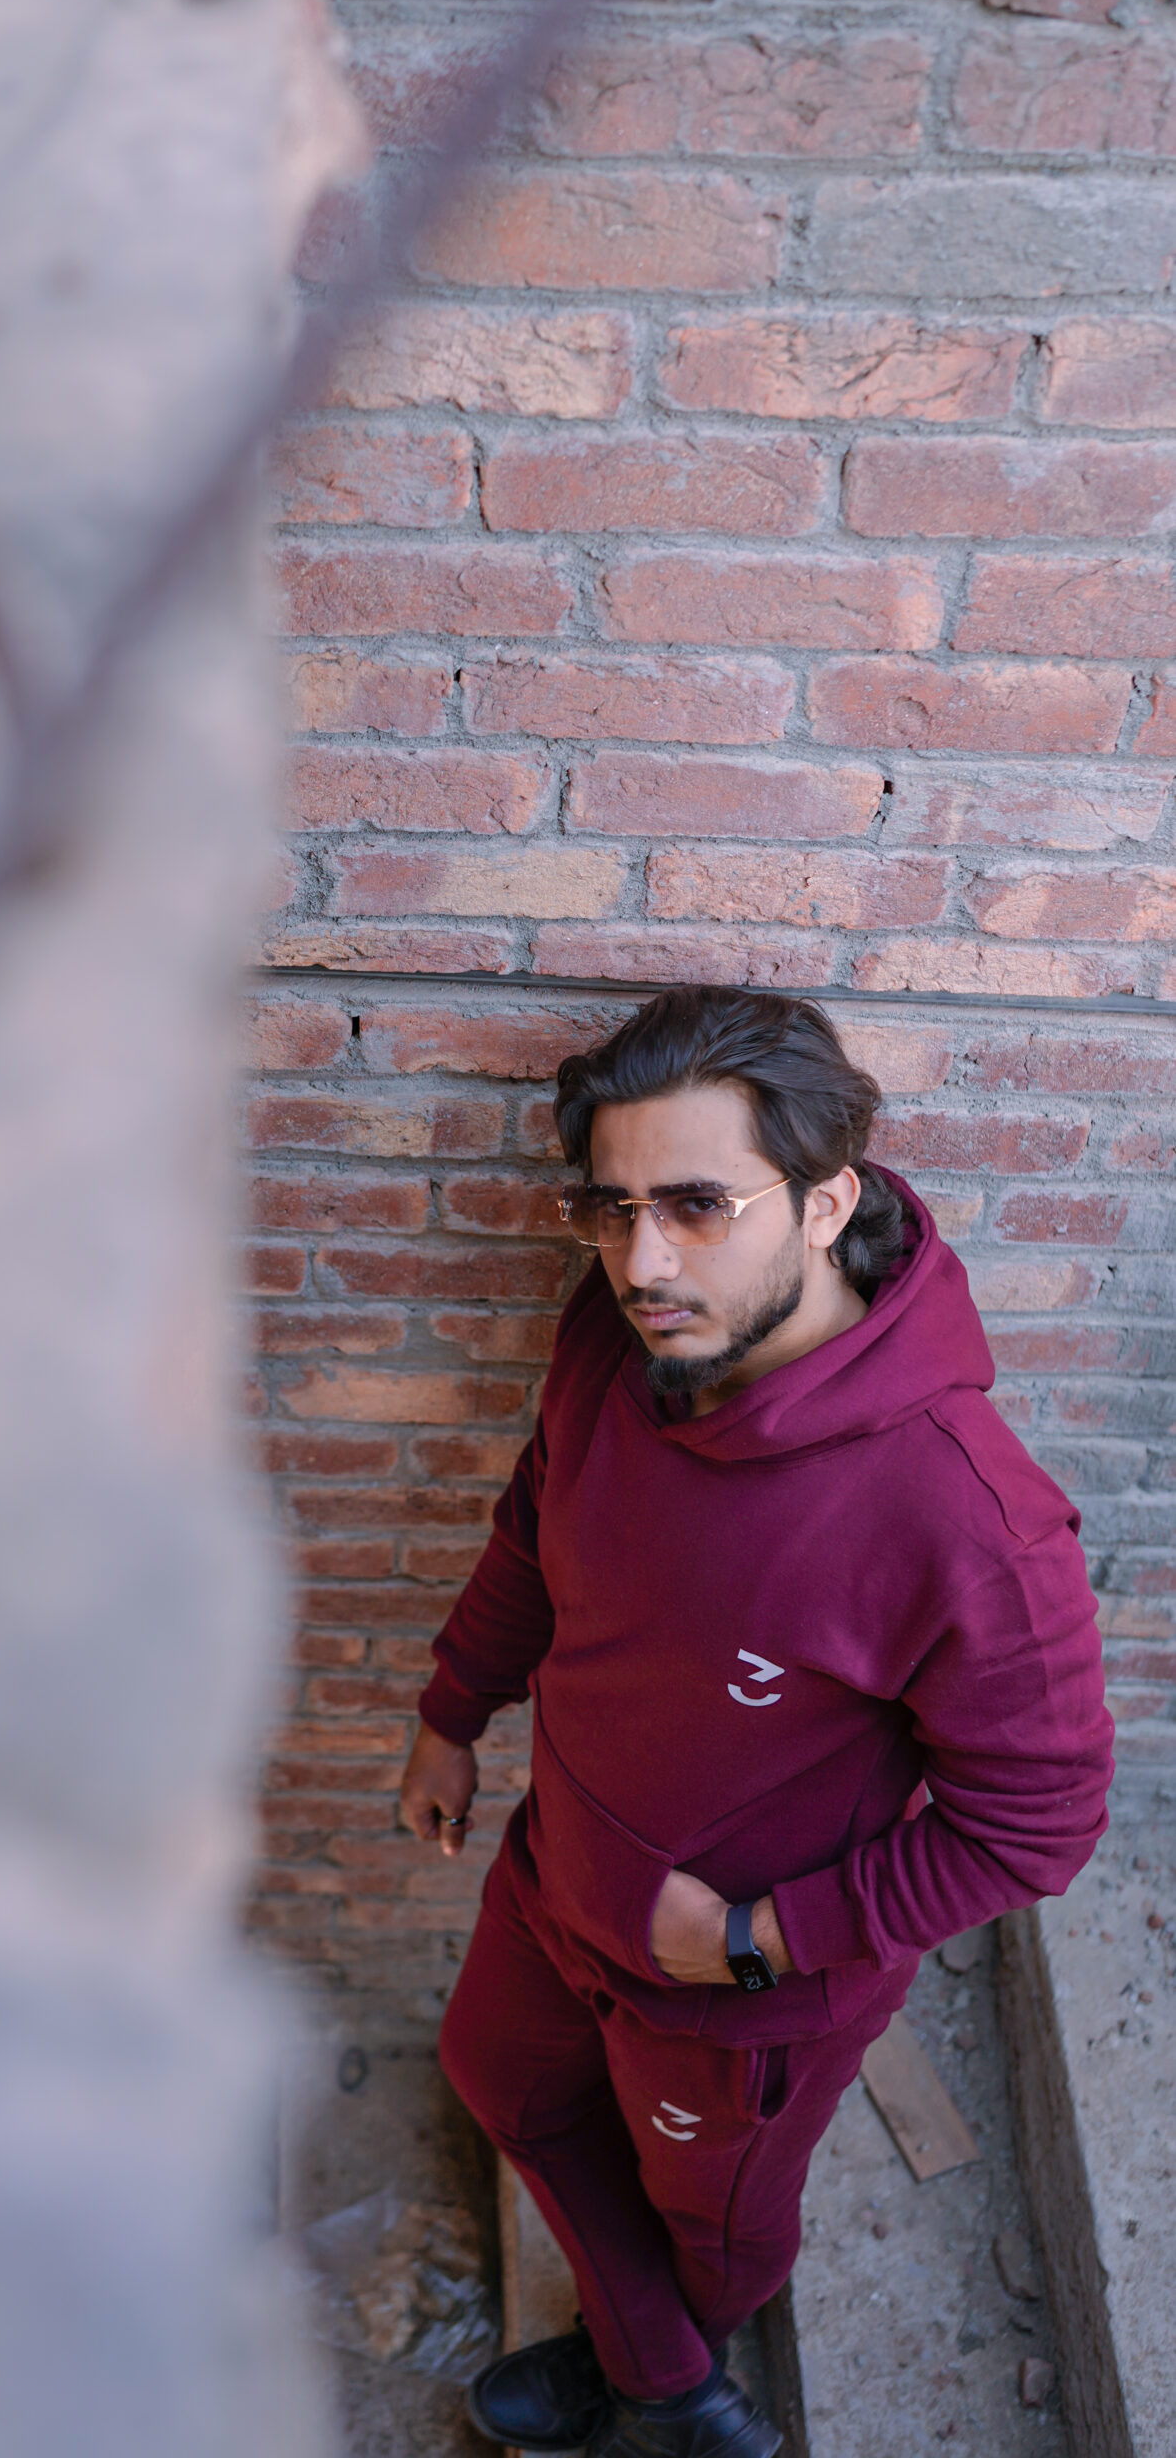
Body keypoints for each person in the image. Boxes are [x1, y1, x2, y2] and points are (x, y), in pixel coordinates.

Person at [397, 987, 1112, 2458]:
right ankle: (663, 2378)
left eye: (697, 1206)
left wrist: (757, 1939)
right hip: (556, 1878)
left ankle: (672, 2358)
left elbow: (1035, 1827)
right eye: (610, 1210)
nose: (642, 1263)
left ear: (825, 1201)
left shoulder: (961, 1516)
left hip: (738, 2003)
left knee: (714, 2230)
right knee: (498, 2076)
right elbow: (538, 1522)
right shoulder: (617, 1342)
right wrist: (454, 1710)